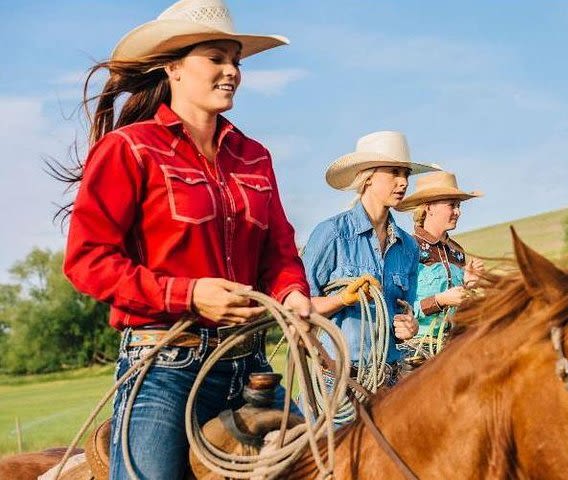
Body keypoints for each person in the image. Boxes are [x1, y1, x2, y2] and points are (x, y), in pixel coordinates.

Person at [61, 0, 310, 478]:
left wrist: (293, 294)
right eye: (216, 58)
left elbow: (279, 250)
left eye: (235, 61)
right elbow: (87, 261)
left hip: (251, 358)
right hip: (165, 363)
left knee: (334, 458)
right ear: (172, 66)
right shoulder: (129, 149)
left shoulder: (254, 156)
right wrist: (190, 293)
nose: (231, 71)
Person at [302, 131, 439, 399]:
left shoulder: (408, 246)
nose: (403, 183)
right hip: (339, 383)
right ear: (368, 176)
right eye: (394, 173)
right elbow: (299, 308)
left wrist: (407, 327)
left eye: (406, 175)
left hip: (389, 380)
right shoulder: (331, 234)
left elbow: (405, 310)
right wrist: (343, 299)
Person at [395, 171, 484, 347]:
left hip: (456, 346)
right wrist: (440, 300)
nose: (458, 212)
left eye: (459, 206)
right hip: (416, 349)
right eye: (452, 205)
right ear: (429, 208)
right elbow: (398, 308)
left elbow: (460, 308)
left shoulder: (457, 251)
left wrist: (469, 285)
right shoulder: (407, 248)